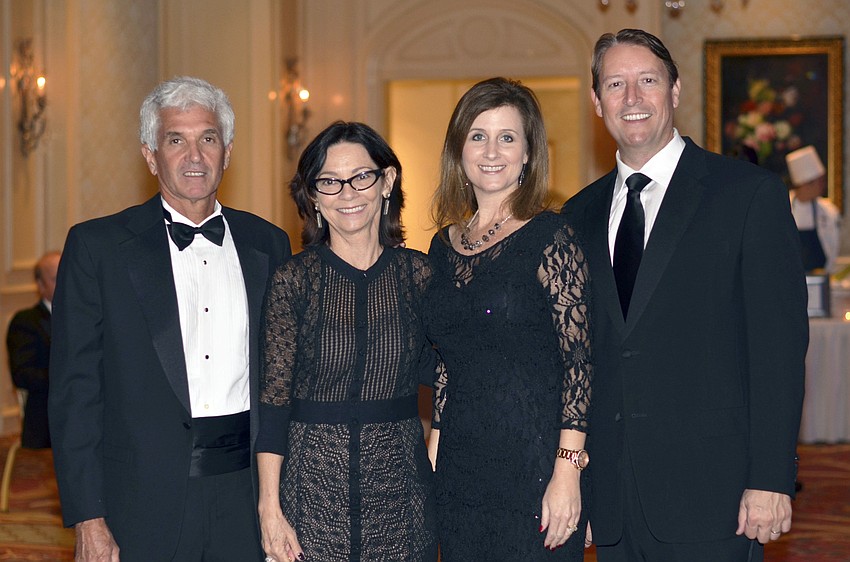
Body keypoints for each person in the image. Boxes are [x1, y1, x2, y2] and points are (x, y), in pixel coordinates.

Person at [560, 29, 808, 562]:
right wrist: (574, 483)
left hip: (716, 496)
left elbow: (778, 351)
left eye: (647, 81)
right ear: (596, 101)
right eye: (615, 84)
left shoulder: (746, 195)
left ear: (674, 91)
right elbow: (576, 361)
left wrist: (771, 476)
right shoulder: (575, 217)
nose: (631, 98)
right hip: (613, 500)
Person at [48, 76, 291, 561]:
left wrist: (277, 500)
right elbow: (75, 394)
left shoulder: (269, 244)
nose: (194, 156)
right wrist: (88, 518)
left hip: (245, 495)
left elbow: (281, 379)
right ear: (150, 155)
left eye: (208, 138)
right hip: (137, 501)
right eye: (175, 140)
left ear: (227, 151)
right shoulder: (98, 248)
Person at [423, 77, 592, 560]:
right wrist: (436, 447)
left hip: (534, 465)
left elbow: (579, 364)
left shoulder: (552, 237)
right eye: (478, 135)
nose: (491, 150)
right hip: (460, 465)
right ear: (459, 152)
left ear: (527, 154)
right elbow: (446, 361)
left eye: (507, 137)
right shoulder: (443, 245)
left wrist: (568, 471)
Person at [256, 121, 437, 562]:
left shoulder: (421, 276)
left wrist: (435, 453)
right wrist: (269, 508)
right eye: (330, 183)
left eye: (361, 177)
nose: (348, 194)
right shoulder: (292, 280)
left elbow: (452, 377)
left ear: (386, 182)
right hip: (310, 497)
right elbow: (274, 403)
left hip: (401, 494)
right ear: (313, 196)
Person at [5, 251, 61, 449]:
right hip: (47, 412)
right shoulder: (26, 322)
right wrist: (68, 377)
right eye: (56, 278)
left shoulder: (89, 317)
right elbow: (22, 375)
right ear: (40, 285)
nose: (64, 282)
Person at [785, 145, 841, 273]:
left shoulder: (829, 211)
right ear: (806, 184)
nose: (823, 185)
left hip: (819, 280)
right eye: (820, 181)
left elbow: (833, 250)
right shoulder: (781, 208)